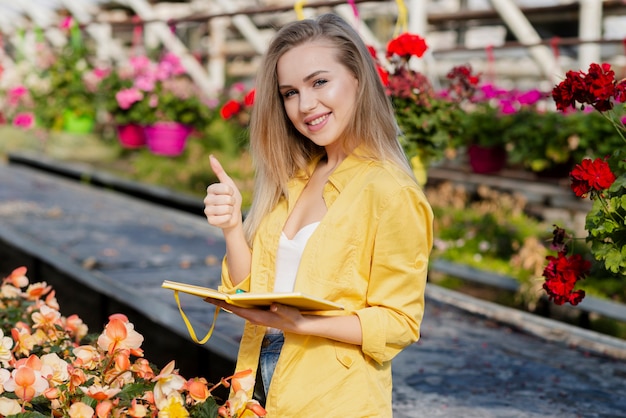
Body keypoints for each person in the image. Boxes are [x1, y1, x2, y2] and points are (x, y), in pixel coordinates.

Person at [203, 13, 433, 417]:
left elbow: (398, 323)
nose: (305, 105)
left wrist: (303, 325)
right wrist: (232, 228)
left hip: (335, 397)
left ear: (358, 79)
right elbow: (250, 290)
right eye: (289, 92)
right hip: (258, 378)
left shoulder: (391, 191)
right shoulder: (294, 177)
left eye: (319, 82)